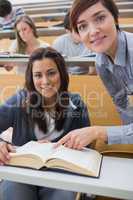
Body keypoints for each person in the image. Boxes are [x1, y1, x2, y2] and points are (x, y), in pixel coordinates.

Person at [0, 47, 90, 200]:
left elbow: (87, 146)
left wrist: (62, 148)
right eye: (38, 75)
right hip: (22, 172)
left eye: (51, 73)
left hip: (60, 176)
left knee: (64, 195)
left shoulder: (76, 103)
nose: (45, 81)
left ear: (61, 73)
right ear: (31, 78)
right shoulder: (19, 100)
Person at [55, 0, 133, 149]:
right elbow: (121, 103)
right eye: (83, 26)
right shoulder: (101, 61)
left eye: (100, 18)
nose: (93, 31)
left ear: (115, 18)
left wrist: (98, 132)